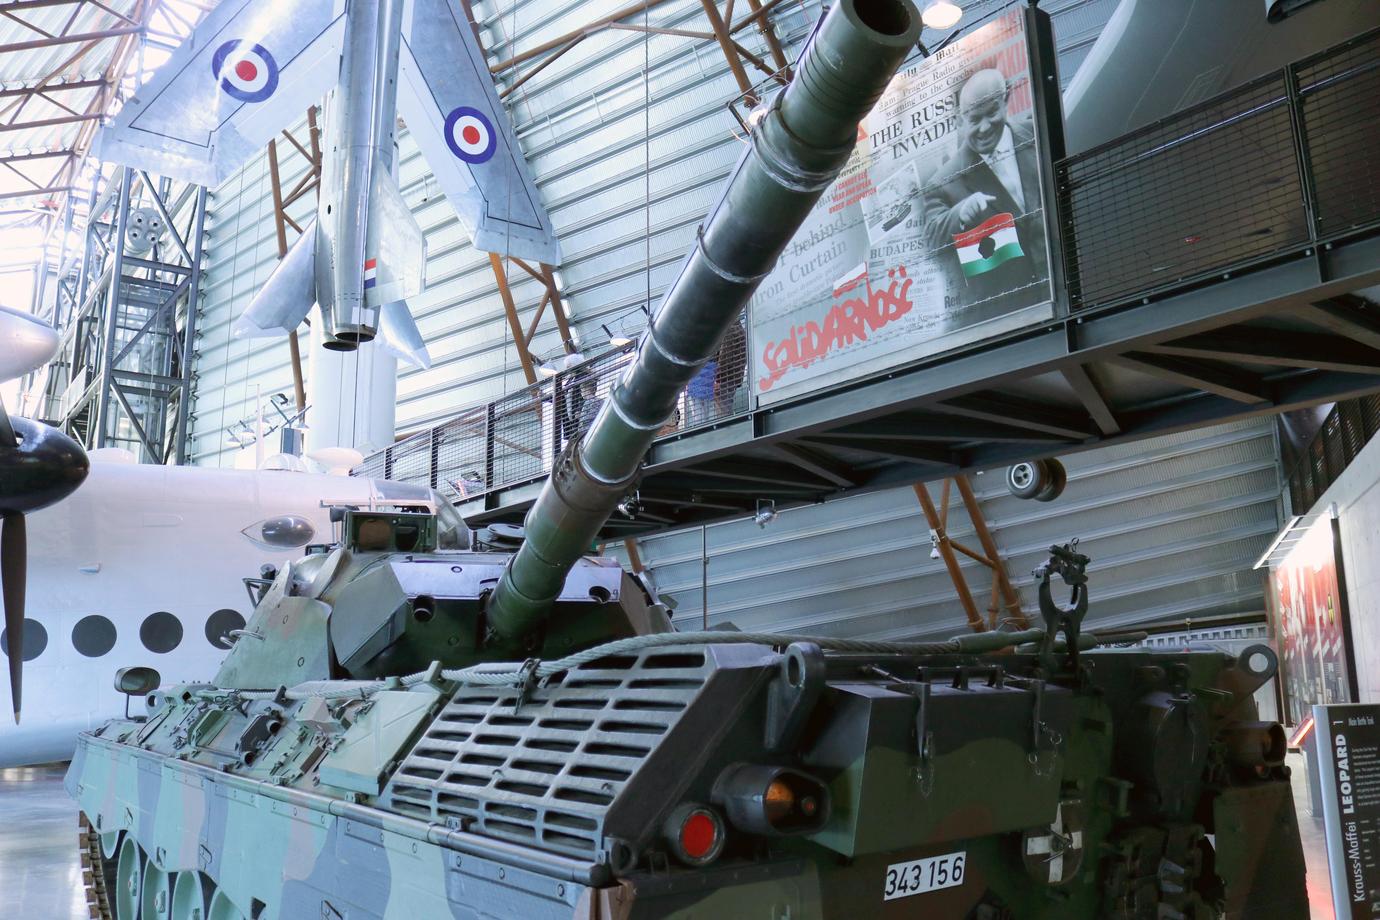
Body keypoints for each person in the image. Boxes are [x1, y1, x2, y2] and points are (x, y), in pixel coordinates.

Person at [922, 68, 1048, 312]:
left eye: (992, 113)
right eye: (974, 120)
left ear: (1006, 100)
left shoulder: (1038, 134)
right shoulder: (943, 182)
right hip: (1013, 312)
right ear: (960, 120)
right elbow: (931, 238)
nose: (984, 127)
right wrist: (960, 214)